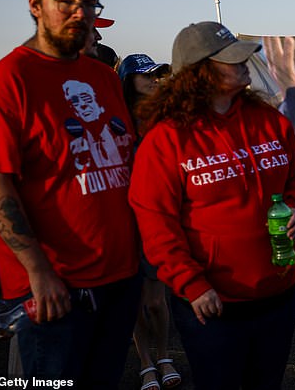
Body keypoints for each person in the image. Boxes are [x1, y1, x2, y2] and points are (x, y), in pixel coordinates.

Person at [128, 21, 295, 390]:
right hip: (211, 304)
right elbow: (156, 225)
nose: (245, 63)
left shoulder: (267, 120)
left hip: (278, 293)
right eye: (231, 60)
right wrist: (192, 284)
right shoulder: (166, 139)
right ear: (199, 72)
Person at [0, 0, 141, 387]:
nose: (80, 12)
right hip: (56, 289)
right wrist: (38, 272)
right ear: (35, 5)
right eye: (66, 0)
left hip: (119, 277)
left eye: (89, 3)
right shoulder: (8, 80)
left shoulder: (103, 76)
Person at [118, 53, 181, 390]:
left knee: (156, 300)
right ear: (128, 81)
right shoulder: (114, 122)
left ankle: (165, 354)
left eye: (158, 75)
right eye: (147, 76)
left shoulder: (166, 118)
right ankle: (145, 362)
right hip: (123, 222)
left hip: (156, 221)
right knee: (135, 301)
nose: (155, 80)